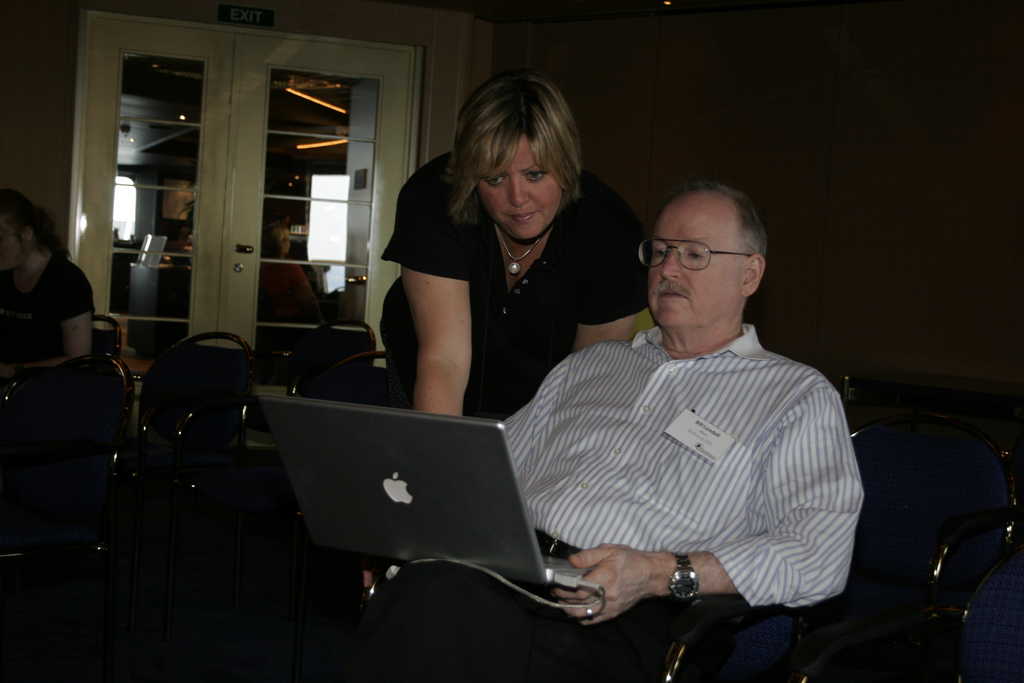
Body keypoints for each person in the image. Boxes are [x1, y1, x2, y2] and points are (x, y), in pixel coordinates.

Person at [352, 180, 864, 682]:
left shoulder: (794, 396)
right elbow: (493, 476)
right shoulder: (592, 365)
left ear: (750, 274)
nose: (667, 269)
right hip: (515, 573)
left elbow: (818, 555)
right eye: (659, 251)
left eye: (694, 255)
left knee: (440, 606)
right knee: (428, 586)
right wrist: (411, 526)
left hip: (635, 609)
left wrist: (658, 573)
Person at [380, 69, 647, 417]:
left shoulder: (609, 230)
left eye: (535, 175)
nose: (517, 198)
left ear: (566, 165)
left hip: (546, 387)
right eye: (494, 179)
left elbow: (588, 383)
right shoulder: (432, 199)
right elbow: (443, 362)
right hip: (427, 365)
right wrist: (443, 450)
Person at [0, 189, 93, 378]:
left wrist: (12, 370)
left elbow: (78, 359)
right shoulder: (4, 274)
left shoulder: (67, 281)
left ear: (27, 234)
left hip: (49, 387)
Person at [258, 218, 322, 323]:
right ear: (275, 243)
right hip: (292, 322)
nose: (289, 243)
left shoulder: (259, 265)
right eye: (285, 239)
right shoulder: (289, 267)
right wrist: (320, 323)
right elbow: (308, 301)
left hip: (265, 321)